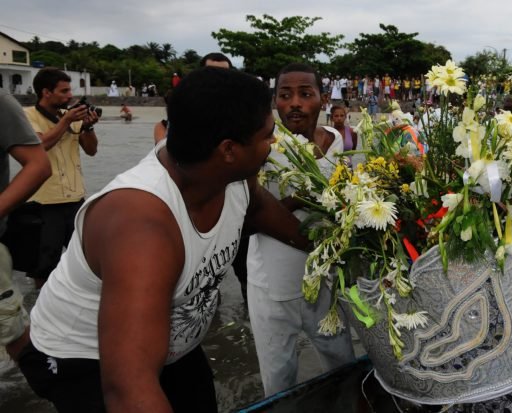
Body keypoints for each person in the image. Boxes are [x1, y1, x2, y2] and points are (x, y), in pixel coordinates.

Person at [18, 67, 308, 412]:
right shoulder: (141, 226)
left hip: (173, 342)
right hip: (83, 358)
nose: (273, 144)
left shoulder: (231, 177)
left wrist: (335, 246)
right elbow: (128, 389)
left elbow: (264, 212)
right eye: (268, 135)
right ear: (229, 150)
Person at [247, 63, 355, 396]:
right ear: (275, 101)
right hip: (274, 286)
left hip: (324, 278)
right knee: (279, 377)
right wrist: (303, 196)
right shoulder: (262, 148)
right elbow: (248, 215)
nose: (294, 103)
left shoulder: (335, 141)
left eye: (305, 94)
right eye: (285, 95)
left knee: (342, 362)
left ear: (323, 100)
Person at [23, 68, 99, 287]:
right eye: (64, 91)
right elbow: (40, 145)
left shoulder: (69, 115)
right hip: (44, 202)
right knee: (43, 265)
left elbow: (91, 150)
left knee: (86, 260)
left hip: (75, 200)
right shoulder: (28, 115)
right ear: (46, 92)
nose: (70, 95)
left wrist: (88, 127)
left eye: (70, 90)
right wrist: (66, 121)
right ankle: (39, 303)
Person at [0, 93, 51, 361]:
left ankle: (43, 377)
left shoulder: (2, 103)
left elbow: (39, 164)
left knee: (12, 330)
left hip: (60, 201)